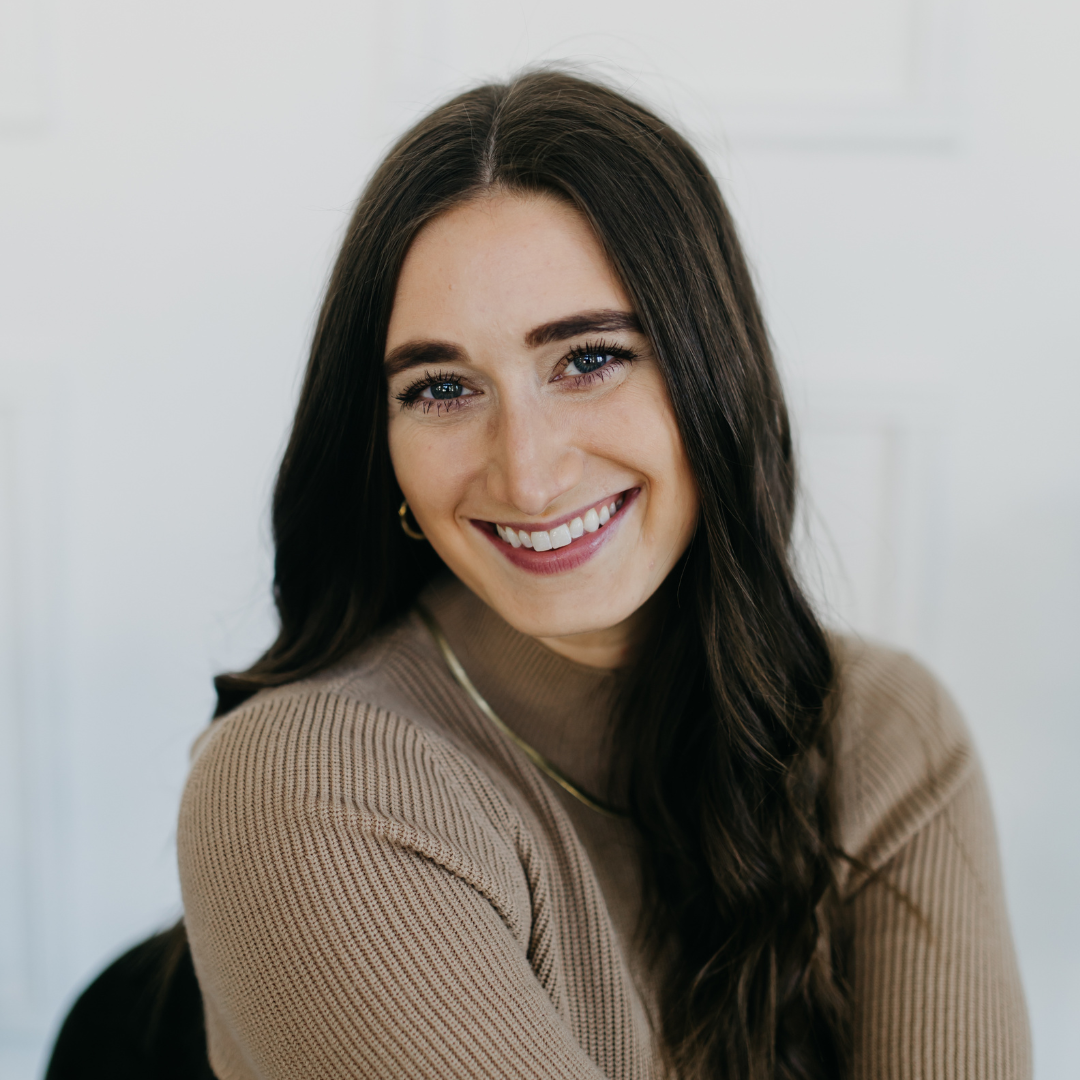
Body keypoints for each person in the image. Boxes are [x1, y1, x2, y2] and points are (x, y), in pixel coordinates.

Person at [171, 71, 1029, 1080]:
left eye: (589, 360)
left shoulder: (884, 734)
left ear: (716, 373)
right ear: (382, 447)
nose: (528, 474)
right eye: (443, 389)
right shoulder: (305, 781)